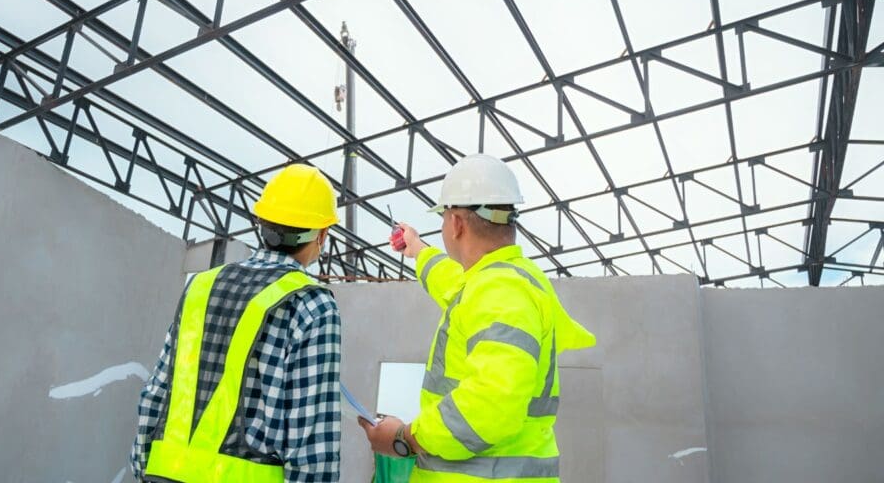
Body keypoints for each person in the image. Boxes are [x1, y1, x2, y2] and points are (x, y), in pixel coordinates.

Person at [360, 153, 595, 482]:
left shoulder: (502, 291)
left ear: (456, 223)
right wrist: (416, 249)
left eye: (443, 218)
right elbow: (449, 281)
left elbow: (491, 403)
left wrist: (404, 439)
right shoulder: (495, 282)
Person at [132, 164, 342, 482]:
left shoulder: (200, 287)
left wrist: (142, 463)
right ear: (322, 235)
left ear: (261, 222)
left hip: (163, 474)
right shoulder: (312, 304)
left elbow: (157, 390)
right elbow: (310, 437)